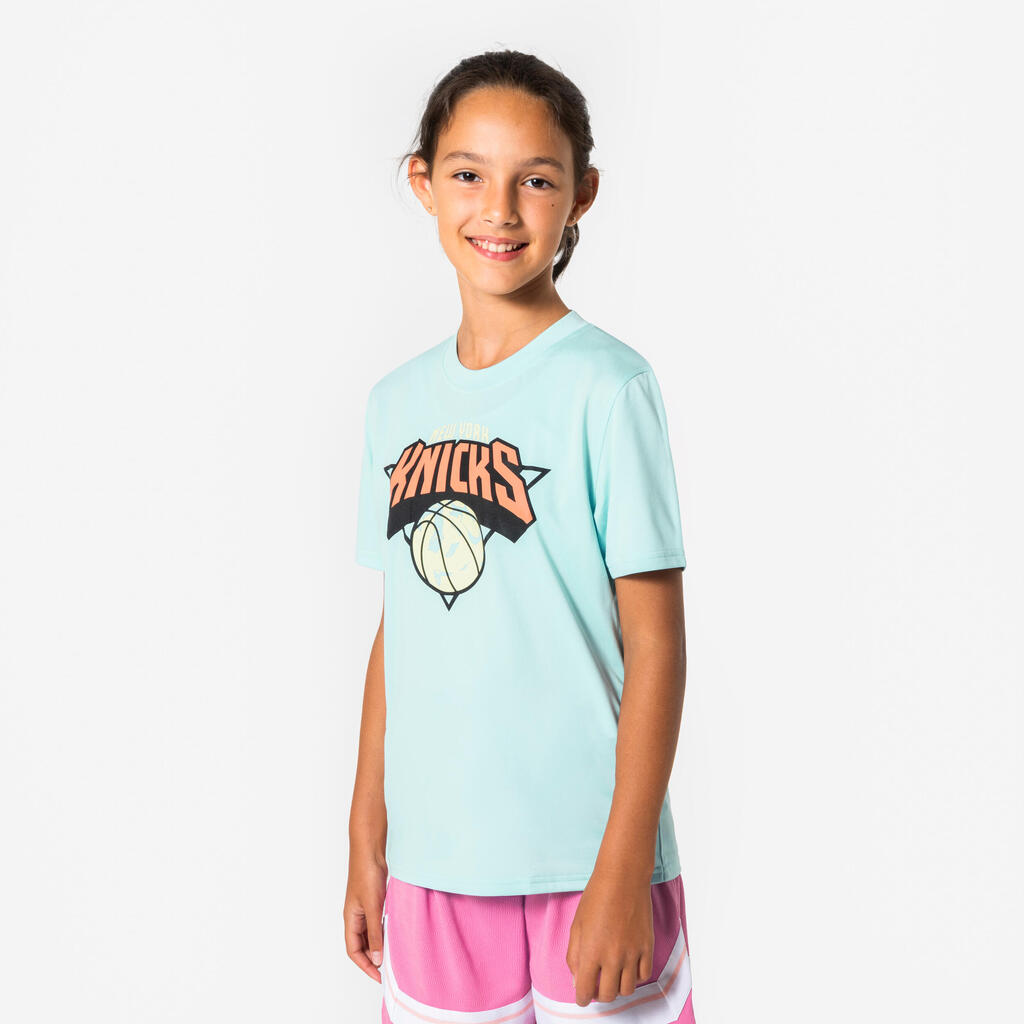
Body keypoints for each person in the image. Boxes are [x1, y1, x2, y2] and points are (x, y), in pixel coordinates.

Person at [346, 49, 697, 1024]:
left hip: (588, 864)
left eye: (535, 181)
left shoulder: (608, 387)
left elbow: (657, 644)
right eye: (468, 174)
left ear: (582, 194)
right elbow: (399, 631)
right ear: (423, 183)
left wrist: (623, 865)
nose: (498, 209)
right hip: (433, 868)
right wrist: (366, 834)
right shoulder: (395, 404)